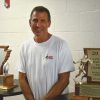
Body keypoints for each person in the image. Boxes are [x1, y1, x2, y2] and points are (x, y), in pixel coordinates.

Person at [18, 6, 75, 100]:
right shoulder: (24, 47)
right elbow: (22, 78)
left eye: (43, 20)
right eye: (35, 20)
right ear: (29, 22)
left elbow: (64, 80)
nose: (38, 25)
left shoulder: (61, 45)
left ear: (49, 23)